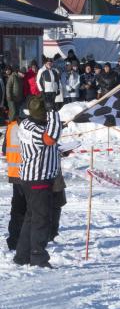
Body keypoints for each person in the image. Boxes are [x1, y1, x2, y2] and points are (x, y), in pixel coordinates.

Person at [14, 95, 62, 268]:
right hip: (38, 179)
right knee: (41, 219)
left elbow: (49, 142)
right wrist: (54, 113)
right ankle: (38, 257)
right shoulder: (36, 130)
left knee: (31, 217)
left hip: (28, 179)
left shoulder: (26, 124)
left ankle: (22, 255)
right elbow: (51, 138)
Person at [5, 117, 26, 250]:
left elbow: (4, 149)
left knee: (17, 209)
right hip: (28, 173)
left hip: (14, 173)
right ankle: (23, 240)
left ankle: (14, 240)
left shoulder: (11, 126)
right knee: (30, 210)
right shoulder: (30, 126)